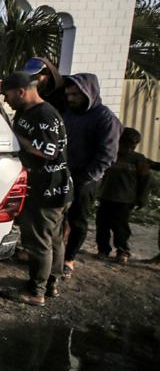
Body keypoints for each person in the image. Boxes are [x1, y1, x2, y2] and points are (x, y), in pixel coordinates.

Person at [1, 71, 72, 306]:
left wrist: (13, 138)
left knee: (40, 242)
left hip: (46, 189)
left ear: (21, 91)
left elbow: (47, 151)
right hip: (54, 187)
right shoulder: (29, 111)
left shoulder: (44, 114)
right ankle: (52, 284)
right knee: (53, 239)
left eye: (8, 95)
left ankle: (36, 292)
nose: (6, 100)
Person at [60, 73, 121, 278]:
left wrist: (86, 177)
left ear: (89, 92)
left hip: (85, 180)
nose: (70, 98)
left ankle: (69, 260)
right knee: (59, 218)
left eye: (75, 94)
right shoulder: (69, 114)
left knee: (78, 220)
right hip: (63, 174)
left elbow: (108, 155)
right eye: (68, 94)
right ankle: (56, 255)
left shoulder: (105, 118)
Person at [96, 128, 151, 263]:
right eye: (124, 144)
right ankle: (103, 250)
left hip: (125, 200)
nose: (127, 149)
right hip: (106, 196)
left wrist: (141, 198)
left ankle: (122, 251)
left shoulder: (138, 159)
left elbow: (145, 180)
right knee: (102, 225)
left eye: (132, 146)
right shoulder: (110, 155)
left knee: (120, 227)